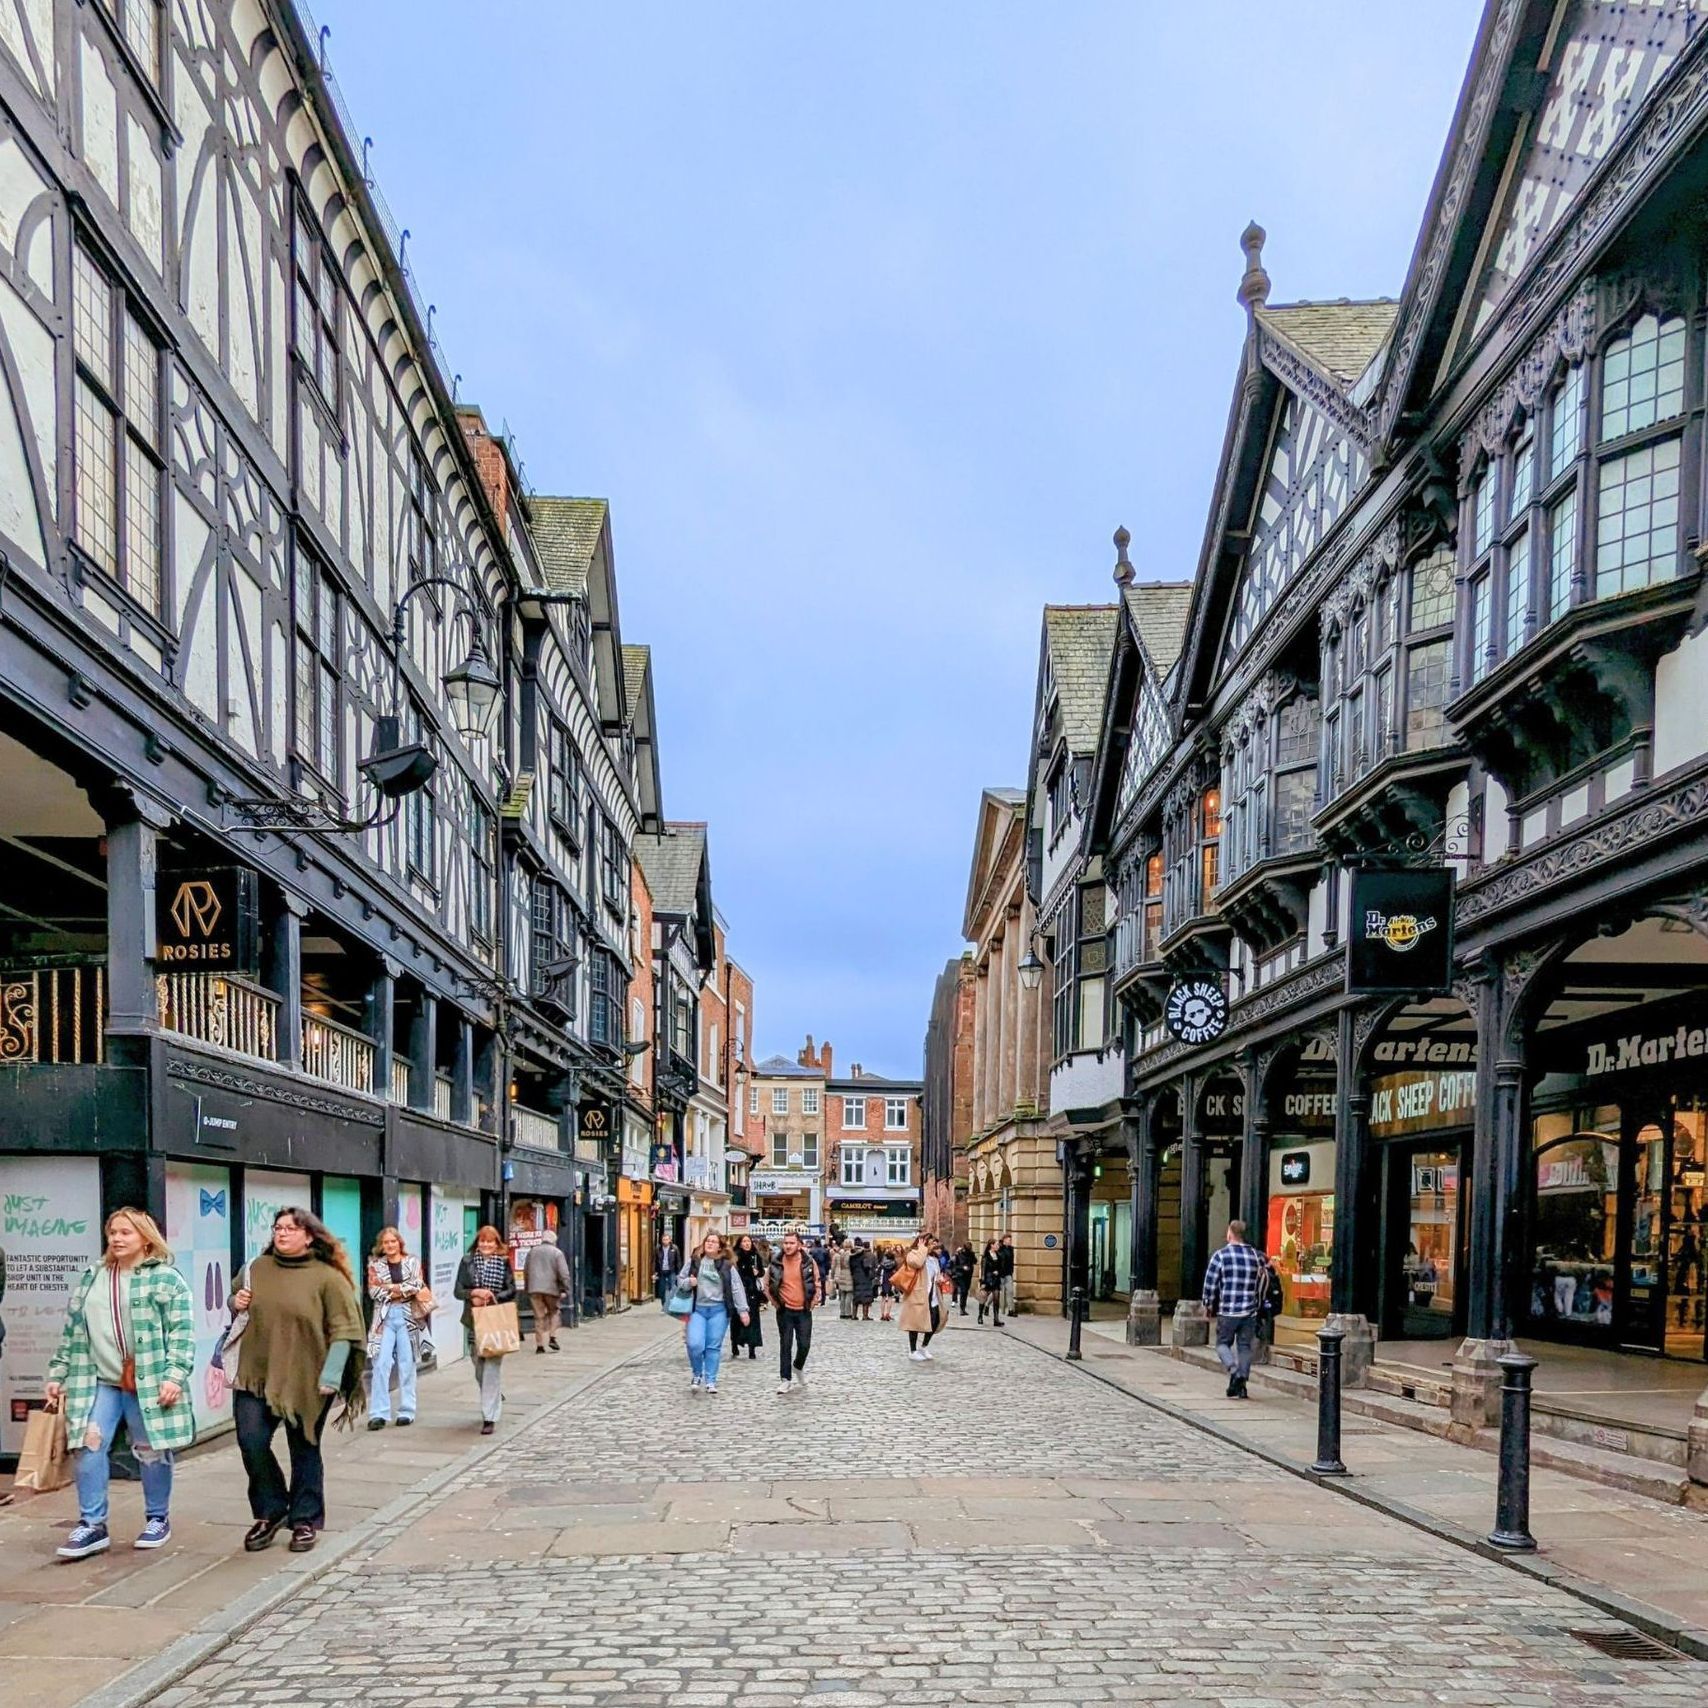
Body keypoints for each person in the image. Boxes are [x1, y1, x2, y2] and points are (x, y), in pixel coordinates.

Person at [45, 1209, 194, 1559]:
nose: (117, 1238)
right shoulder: (92, 1276)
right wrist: (58, 1373)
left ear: (145, 1237)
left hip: (148, 1381)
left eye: (126, 1232)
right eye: (112, 1232)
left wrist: (174, 1375)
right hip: (98, 1378)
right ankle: (92, 1525)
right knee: (88, 1445)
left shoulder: (166, 1279)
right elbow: (72, 1332)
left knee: (150, 1449)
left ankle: (158, 1517)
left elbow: (182, 1333)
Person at [229, 1207, 365, 1553]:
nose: (282, 1233)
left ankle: (304, 1519)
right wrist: (236, 1300)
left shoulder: (327, 1278)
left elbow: (344, 1331)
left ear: (309, 1236)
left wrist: (332, 1376)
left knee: (304, 1447)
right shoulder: (256, 1268)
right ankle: (271, 1510)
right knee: (252, 1442)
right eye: (277, 1228)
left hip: (308, 1377)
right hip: (257, 1375)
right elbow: (236, 1304)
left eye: (290, 1228)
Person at [455, 1225, 517, 1434]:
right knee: (479, 1368)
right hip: (473, 1321)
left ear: (496, 1244)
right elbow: (458, 1290)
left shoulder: (504, 1262)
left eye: (490, 1242)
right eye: (482, 1241)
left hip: (496, 1322)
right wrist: (474, 1293)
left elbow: (512, 1290)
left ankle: (489, 1417)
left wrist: (493, 1297)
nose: (486, 1245)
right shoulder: (467, 1261)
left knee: (491, 1368)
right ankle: (493, 1396)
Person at [365, 1226, 425, 1429]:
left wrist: (390, 1288)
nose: (390, 1245)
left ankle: (407, 1410)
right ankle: (378, 1413)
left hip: (408, 1317)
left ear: (399, 1243)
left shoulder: (412, 1261)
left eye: (393, 1241)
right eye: (386, 1242)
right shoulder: (375, 1265)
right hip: (384, 1319)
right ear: (381, 1246)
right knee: (380, 1365)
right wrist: (400, 1290)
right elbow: (373, 1292)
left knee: (407, 1364)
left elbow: (417, 1285)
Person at [1201, 1218, 1268, 1399]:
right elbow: (1264, 1280)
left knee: (1222, 1344)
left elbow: (1210, 1283)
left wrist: (1207, 1304)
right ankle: (1242, 1383)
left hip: (1228, 1311)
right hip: (1249, 1311)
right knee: (1245, 1347)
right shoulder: (1256, 1256)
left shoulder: (1220, 1256)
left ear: (1230, 1233)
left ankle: (1234, 1370)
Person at [676, 1230, 749, 1395]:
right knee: (694, 1344)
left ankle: (710, 1380)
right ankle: (696, 1373)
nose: (710, 1243)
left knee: (713, 1347)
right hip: (697, 1309)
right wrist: (689, 1282)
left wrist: (743, 1310)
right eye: (708, 1241)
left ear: (720, 1247)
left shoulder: (726, 1265)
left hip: (719, 1310)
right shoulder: (694, 1261)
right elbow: (680, 1280)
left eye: (714, 1242)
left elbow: (736, 1287)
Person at [769, 1228, 819, 1393]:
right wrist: (775, 1303)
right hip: (784, 1310)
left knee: (804, 1344)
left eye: (791, 1243)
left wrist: (814, 1300)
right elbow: (767, 1284)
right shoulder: (776, 1261)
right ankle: (785, 1379)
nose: (788, 1246)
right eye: (785, 1243)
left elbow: (816, 1282)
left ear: (799, 1244)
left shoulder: (808, 1262)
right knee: (786, 1344)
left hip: (803, 1309)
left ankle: (798, 1366)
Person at [523, 1228, 572, 1355]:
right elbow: (564, 1274)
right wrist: (567, 1289)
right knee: (554, 1312)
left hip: (534, 1288)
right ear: (554, 1240)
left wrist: (527, 1286)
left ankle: (539, 1345)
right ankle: (552, 1337)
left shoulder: (532, 1251)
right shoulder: (557, 1253)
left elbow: (526, 1270)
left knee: (538, 1317)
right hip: (552, 1289)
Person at [896, 1234, 943, 1361]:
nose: (934, 1246)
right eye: (931, 1243)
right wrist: (921, 1248)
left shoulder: (934, 1259)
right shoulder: (913, 1254)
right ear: (923, 1242)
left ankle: (924, 1346)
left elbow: (936, 1274)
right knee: (914, 1323)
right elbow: (917, 1263)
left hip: (931, 1295)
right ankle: (912, 1350)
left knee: (935, 1321)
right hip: (917, 1294)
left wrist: (940, 1279)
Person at [731, 1233, 767, 1361]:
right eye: (744, 1241)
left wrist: (758, 1272)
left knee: (753, 1319)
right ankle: (735, 1344)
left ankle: (752, 1348)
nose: (747, 1244)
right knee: (737, 1319)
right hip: (739, 1290)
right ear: (740, 1243)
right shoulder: (735, 1256)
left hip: (752, 1291)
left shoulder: (755, 1256)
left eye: (748, 1241)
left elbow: (762, 1271)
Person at [977, 1238, 1005, 1326]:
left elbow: (1001, 1268)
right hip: (988, 1280)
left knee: (996, 1300)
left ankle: (996, 1319)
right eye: (996, 1244)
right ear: (991, 1245)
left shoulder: (999, 1255)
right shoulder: (986, 1257)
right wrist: (983, 1282)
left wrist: (998, 1272)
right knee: (983, 1299)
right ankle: (980, 1316)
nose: (998, 1246)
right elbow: (983, 1270)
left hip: (996, 1280)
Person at [850, 1239, 877, 1320]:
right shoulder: (863, 1255)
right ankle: (865, 1316)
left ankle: (854, 1315)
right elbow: (866, 1266)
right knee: (866, 1297)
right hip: (864, 1278)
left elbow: (851, 1267)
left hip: (855, 1277)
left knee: (856, 1297)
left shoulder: (851, 1255)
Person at [655, 1233, 681, 1307]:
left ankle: (671, 1304)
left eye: (667, 1239)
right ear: (662, 1241)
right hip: (661, 1271)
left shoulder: (674, 1248)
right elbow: (655, 1261)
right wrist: (654, 1272)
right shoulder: (658, 1249)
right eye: (664, 1240)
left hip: (671, 1271)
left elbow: (678, 1261)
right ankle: (664, 1304)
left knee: (672, 1288)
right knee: (662, 1289)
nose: (665, 1241)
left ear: (670, 1240)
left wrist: (678, 1273)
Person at [831, 1238, 854, 1319]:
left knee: (843, 1294)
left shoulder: (841, 1254)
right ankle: (848, 1313)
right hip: (849, 1274)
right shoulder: (850, 1254)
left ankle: (842, 1312)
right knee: (849, 1294)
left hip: (842, 1274)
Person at [950, 1243, 975, 1315]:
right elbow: (955, 1266)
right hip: (960, 1275)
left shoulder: (971, 1254)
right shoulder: (959, 1254)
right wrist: (962, 1267)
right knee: (963, 1290)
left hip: (968, 1275)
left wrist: (972, 1256)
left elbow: (975, 1261)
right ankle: (962, 1308)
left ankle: (963, 1308)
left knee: (966, 1291)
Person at [877, 1246, 899, 1321]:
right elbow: (897, 1272)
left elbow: (878, 1272)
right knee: (890, 1297)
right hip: (891, 1280)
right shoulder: (894, 1263)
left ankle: (882, 1314)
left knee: (883, 1298)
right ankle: (888, 1314)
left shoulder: (882, 1264)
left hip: (884, 1280)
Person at [998, 1233, 1016, 1319]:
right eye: (1009, 1240)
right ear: (1004, 1240)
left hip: (1008, 1274)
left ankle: (1011, 1310)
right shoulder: (1000, 1248)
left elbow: (1011, 1261)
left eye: (1010, 1240)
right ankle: (986, 1306)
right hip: (1001, 1274)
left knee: (1010, 1291)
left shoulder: (1011, 1249)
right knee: (996, 1291)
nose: (1010, 1241)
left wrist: (1011, 1271)